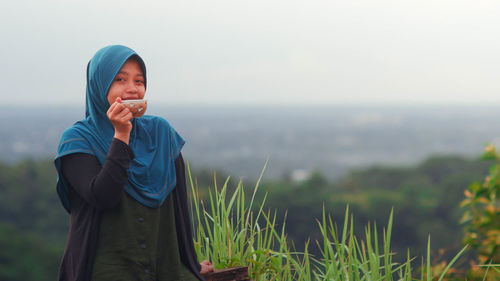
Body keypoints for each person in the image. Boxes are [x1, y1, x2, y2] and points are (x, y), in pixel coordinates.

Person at [54, 45, 214, 281]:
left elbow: (178, 206)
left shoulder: (161, 133)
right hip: (106, 270)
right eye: (120, 79)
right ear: (99, 84)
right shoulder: (78, 140)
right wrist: (121, 136)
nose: (132, 89)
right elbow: (103, 196)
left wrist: (190, 262)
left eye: (139, 81)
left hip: (166, 268)